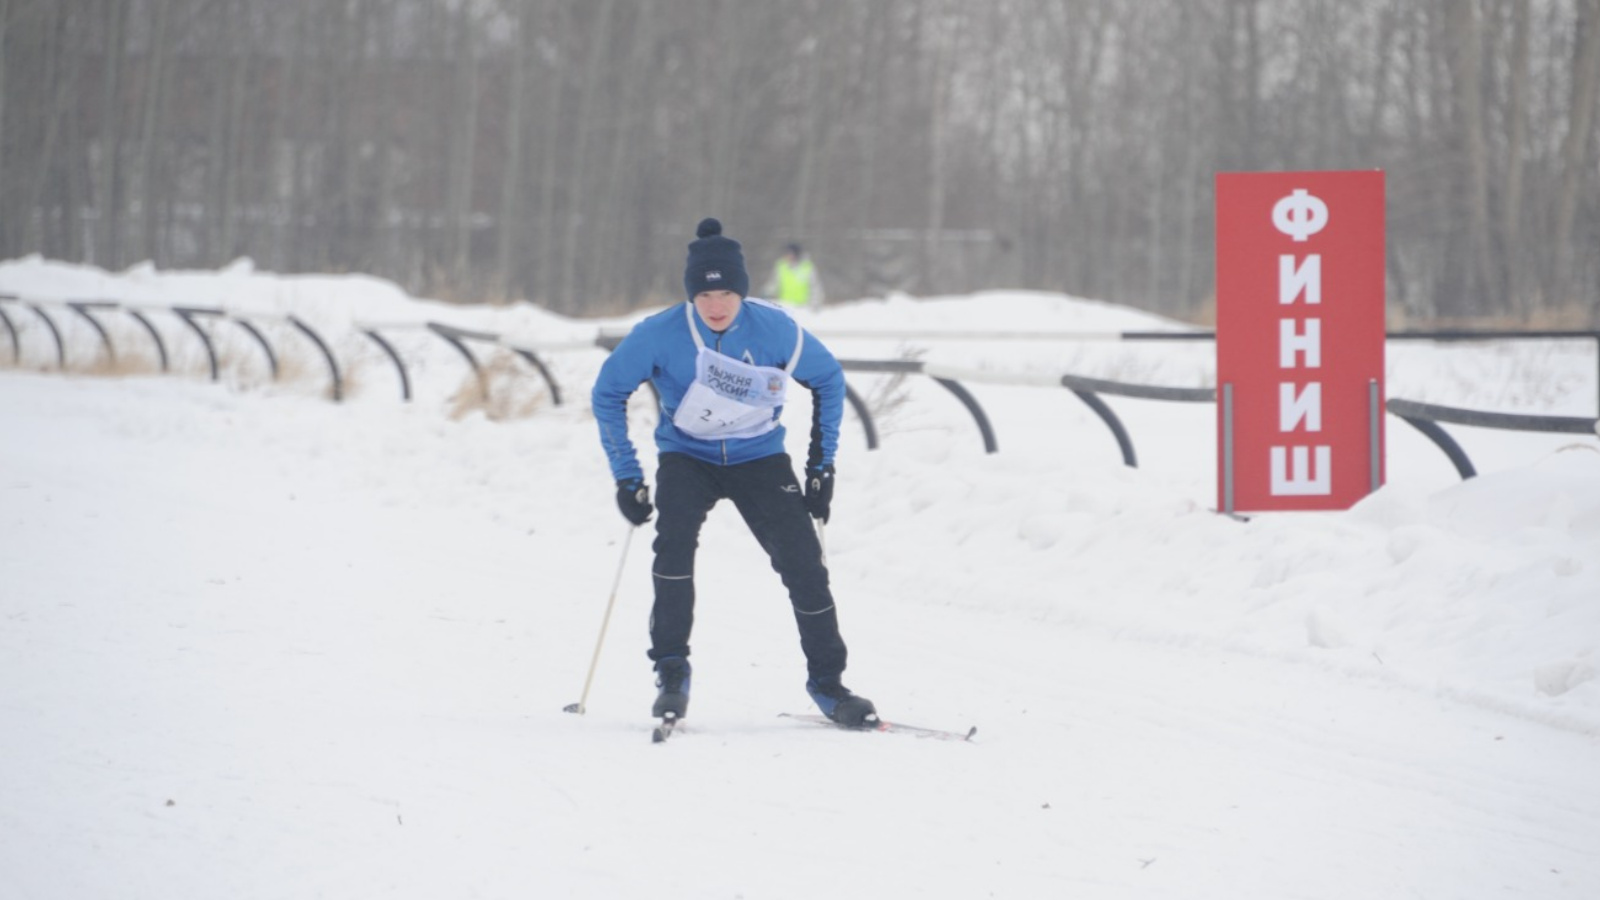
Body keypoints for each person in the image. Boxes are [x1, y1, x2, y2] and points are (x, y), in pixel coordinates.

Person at [591, 218, 876, 728]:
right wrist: (626, 475)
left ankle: (829, 684)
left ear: (742, 291)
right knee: (673, 548)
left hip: (758, 458)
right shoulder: (658, 334)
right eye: (705, 296)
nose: (716, 305)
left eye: (725, 293)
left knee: (804, 566)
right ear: (691, 298)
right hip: (687, 456)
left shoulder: (778, 330)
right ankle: (672, 673)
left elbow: (829, 381)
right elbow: (607, 393)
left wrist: (821, 464)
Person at [763, 242, 825, 309]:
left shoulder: (807, 267)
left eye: (790, 253)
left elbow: (815, 287)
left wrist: (815, 303)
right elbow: (774, 283)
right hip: (785, 305)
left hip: (803, 307)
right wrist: (767, 293)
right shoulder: (781, 266)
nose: (788, 256)